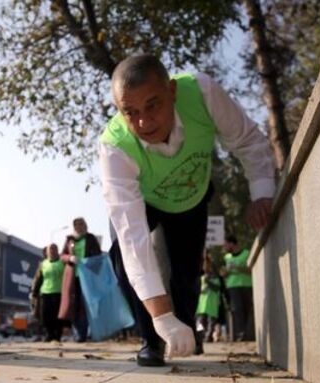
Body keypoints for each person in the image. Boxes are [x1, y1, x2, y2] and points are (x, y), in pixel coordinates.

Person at [100, 53, 275, 366]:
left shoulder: (202, 92)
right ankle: (151, 338)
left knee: (187, 272)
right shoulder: (114, 145)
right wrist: (161, 316)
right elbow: (132, 235)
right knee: (120, 251)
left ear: (172, 91)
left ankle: (186, 330)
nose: (143, 122)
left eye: (153, 104)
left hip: (191, 199)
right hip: (146, 201)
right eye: (131, 112)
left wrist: (261, 192)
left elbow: (247, 140)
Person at [58, 217, 101, 342]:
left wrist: (90, 261)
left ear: (85, 226)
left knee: (87, 304)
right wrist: (70, 258)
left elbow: (97, 255)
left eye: (81, 224)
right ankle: (79, 334)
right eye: (76, 225)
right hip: (72, 277)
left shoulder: (91, 238)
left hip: (87, 277)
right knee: (74, 305)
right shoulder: (69, 240)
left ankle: (90, 332)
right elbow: (62, 256)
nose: (79, 227)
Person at [222, 235, 254, 341]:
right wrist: (225, 272)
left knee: (247, 309)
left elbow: (250, 270)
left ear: (232, 244)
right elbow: (225, 273)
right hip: (233, 286)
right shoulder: (227, 257)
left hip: (246, 285)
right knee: (237, 309)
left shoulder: (246, 254)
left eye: (226, 244)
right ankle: (241, 334)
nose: (224, 247)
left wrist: (236, 268)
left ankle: (248, 333)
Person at [31, 243, 65, 342]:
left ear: (57, 251)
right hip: (45, 293)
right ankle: (49, 334)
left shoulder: (62, 262)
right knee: (45, 316)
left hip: (59, 293)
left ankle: (57, 335)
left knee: (58, 316)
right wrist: (34, 292)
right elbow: (39, 279)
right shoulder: (43, 264)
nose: (52, 251)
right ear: (47, 252)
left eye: (54, 249)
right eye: (50, 249)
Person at [195, 255, 223, 351]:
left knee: (211, 322)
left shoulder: (215, 278)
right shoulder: (202, 278)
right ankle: (201, 337)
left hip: (212, 304)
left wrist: (209, 283)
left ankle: (209, 336)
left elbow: (217, 288)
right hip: (202, 305)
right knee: (200, 322)